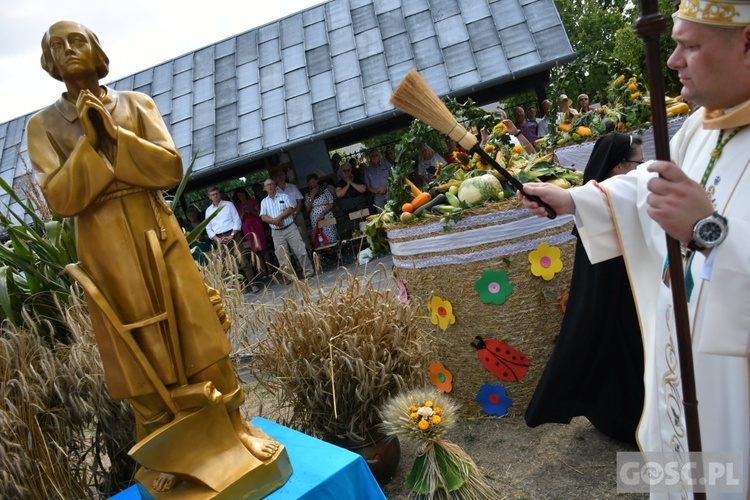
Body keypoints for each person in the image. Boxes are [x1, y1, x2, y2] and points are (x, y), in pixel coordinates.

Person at [26, 21, 280, 494]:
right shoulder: (41, 126)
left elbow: (167, 168)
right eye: (56, 47)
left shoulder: (137, 105)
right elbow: (60, 199)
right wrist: (88, 139)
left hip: (156, 229)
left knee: (197, 330)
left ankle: (236, 426)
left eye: (76, 40)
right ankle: (167, 447)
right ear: (49, 63)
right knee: (135, 352)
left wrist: (114, 137)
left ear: (97, 50)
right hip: (103, 247)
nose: (67, 51)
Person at [521, 3, 750, 496]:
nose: (672, 60)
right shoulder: (700, 128)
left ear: (747, 43)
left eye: (690, 45)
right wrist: (571, 199)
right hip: (682, 362)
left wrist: (704, 229)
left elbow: (707, 228)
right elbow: (646, 183)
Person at [525, 133, 645, 443]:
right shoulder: (607, 198)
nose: (641, 169)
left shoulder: (612, 194)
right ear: (618, 167)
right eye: (638, 163)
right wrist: (570, 200)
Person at [259, 178, 314, 279]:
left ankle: (308, 272)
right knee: (282, 256)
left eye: (271, 184)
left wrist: (278, 218)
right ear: (264, 189)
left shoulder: (284, 196)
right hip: (276, 232)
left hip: (290, 227)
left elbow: (289, 209)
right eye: (267, 185)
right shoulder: (264, 202)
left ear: (275, 185)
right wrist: (274, 221)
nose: (270, 186)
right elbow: (263, 217)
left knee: (300, 250)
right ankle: (289, 277)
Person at [205, 187, 258, 291]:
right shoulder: (208, 211)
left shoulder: (228, 205)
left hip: (233, 234)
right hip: (219, 238)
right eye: (213, 195)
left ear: (219, 194)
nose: (215, 196)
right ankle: (237, 288)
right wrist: (217, 239)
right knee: (227, 262)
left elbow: (237, 221)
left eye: (216, 193)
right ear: (209, 197)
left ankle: (253, 284)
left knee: (242, 258)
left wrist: (231, 235)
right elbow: (208, 228)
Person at [234, 187, 272, 280]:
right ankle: (263, 270)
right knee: (255, 250)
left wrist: (251, 211)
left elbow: (260, 214)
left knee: (264, 248)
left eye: (242, 194)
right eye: (239, 195)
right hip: (247, 228)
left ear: (245, 193)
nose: (241, 196)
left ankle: (270, 269)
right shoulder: (237, 206)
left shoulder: (253, 201)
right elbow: (239, 221)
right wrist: (243, 213)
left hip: (257, 225)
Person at [273, 169, 309, 250]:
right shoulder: (275, 191)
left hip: (296, 211)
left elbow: (299, 202)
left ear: (285, 176)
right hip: (283, 214)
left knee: (303, 232)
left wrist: (295, 213)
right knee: (290, 235)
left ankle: (308, 250)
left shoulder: (292, 186)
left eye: (281, 175)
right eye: (277, 176)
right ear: (275, 179)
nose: (279, 177)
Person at [305, 173, 338, 247]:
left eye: (313, 181)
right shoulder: (308, 194)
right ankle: (324, 252)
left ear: (317, 180)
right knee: (319, 235)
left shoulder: (324, 189)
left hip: (326, 214)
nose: (312, 184)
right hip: (315, 217)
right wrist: (312, 197)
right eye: (310, 182)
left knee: (330, 233)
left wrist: (323, 213)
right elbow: (307, 208)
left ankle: (334, 249)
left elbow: (331, 203)